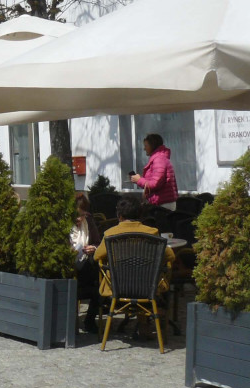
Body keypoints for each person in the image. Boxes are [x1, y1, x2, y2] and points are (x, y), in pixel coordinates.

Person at [94, 196, 175, 334]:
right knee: (150, 272)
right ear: (140, 215)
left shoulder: (110, 233)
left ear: (119, 216)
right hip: (147, 288)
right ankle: (150, 321)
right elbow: (171, 256)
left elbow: (97, 256)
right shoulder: (152, 232)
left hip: (117, 288)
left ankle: (142, 324)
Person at [72, 193, 103, 333]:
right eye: (78, 215)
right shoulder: (64, 224)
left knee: (100, 281)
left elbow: (97, 242)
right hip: (69, 266)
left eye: (83, 215)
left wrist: (93, 248)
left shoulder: (89, 221)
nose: (80, 218)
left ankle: (90, 320)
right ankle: (72, 321)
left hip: (86, 263)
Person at [130, 133, 178, 210]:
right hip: (162, 202)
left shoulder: (159, 159)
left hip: (162, 205)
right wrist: (138, 180)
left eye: (146, 146)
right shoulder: (160, 158)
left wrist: (139, 180)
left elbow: (155, 183)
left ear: (152, 146)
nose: (144, 148)